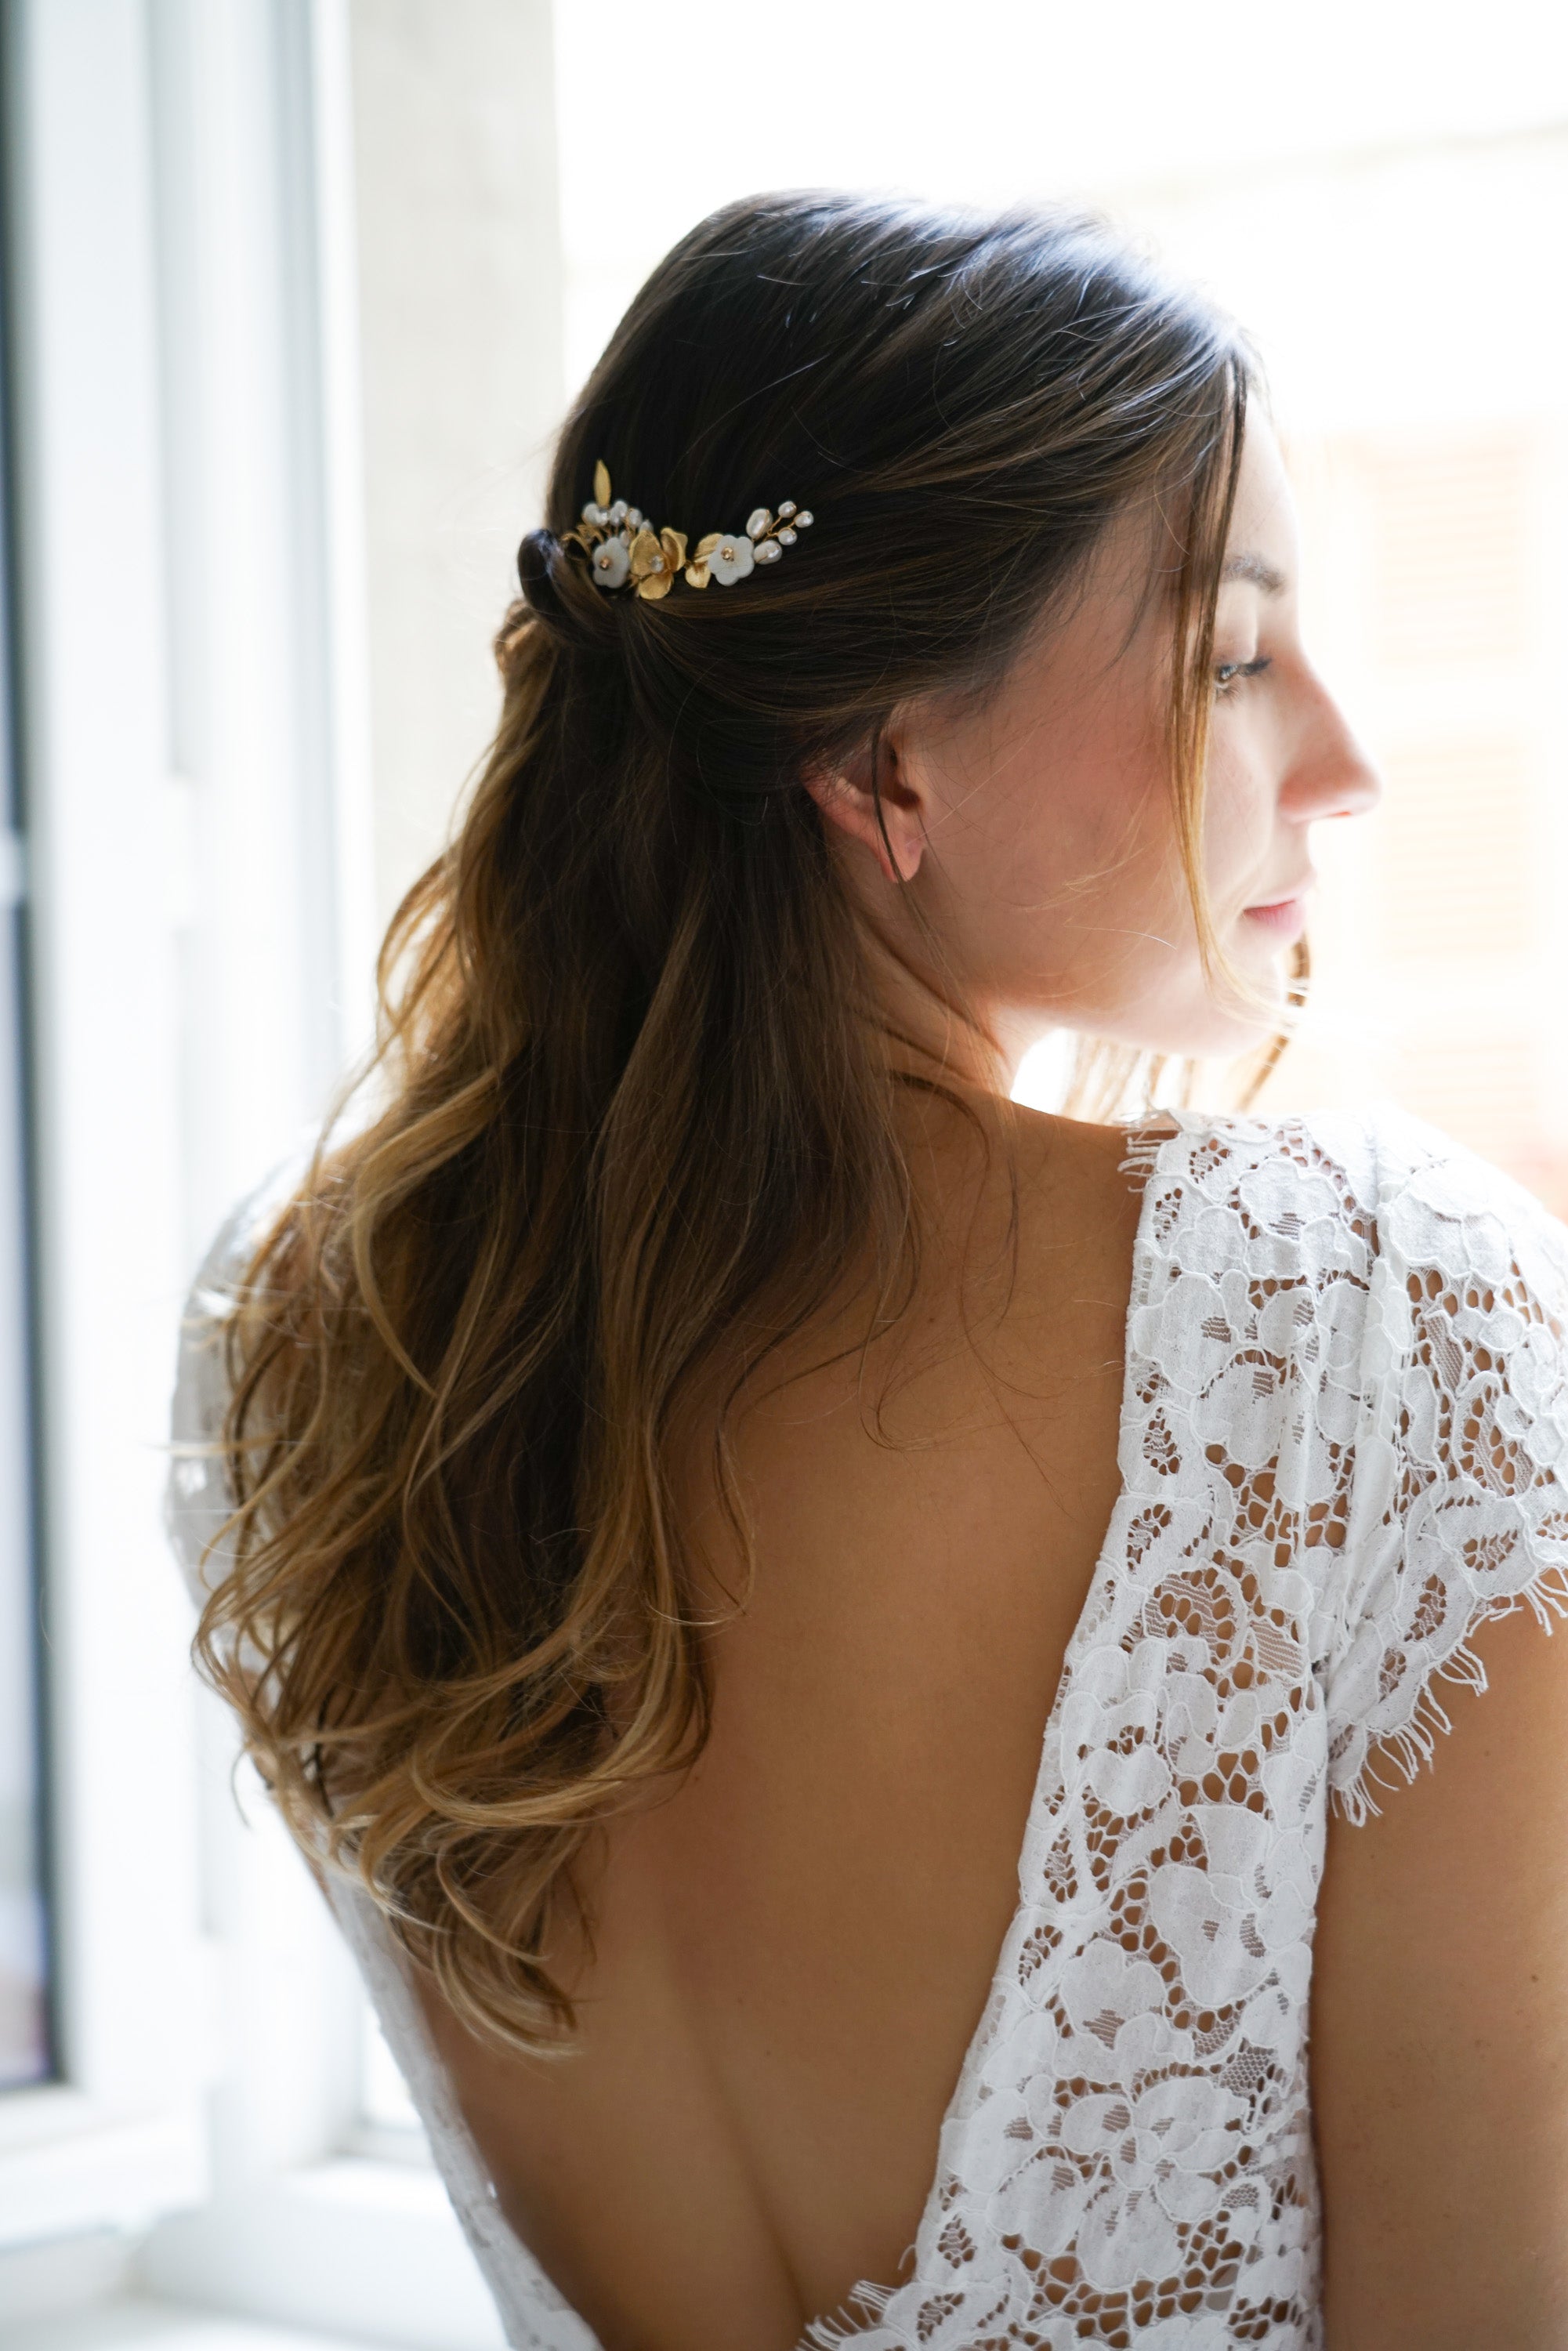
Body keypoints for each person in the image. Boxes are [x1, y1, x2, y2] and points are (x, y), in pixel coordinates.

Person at [167, 194, 1568, 2351]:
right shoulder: (1370, 1320)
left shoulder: (312, 1334)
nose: (1347, 762)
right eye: (1228, 656)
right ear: (880, 760)